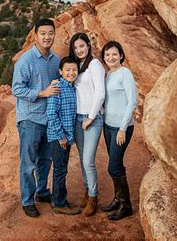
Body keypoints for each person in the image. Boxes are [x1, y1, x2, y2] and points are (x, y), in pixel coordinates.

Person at [12, 18, 61, 218]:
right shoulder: (26, 60)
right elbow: (17, 89)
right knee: (28, 162)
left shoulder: (56, 60)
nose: (47, 37)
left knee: (45, 160)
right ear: (35, 35)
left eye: (50, 33)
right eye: (43, 33)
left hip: (49, 119)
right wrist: (42, 93)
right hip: (30, 118)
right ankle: (27, 200)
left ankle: (42, 192)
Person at [100, 41, 137, 220]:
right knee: (117, 164)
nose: (111, 58)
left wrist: (123, 128)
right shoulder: (108, 75)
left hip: (121, 128)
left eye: (114, 54)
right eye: (107, 55)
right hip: (108, 126)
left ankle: (126, 205)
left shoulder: (125, 73)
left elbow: (132, 102)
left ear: (121, 55)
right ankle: (117, 199)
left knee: (113, 167)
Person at [69, 32, 105, 216]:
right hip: (77, 118)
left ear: (88, 46)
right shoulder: (78, 66)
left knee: (88, 160)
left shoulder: (94, 64)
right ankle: (86, 190)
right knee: (83, 157)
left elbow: (100, 93)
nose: (79, 50)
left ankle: (93, 196)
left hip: (92, 119)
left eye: (82, 46)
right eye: (75, 48)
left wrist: (91, 117)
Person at [46, 57, 81, 215]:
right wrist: (61, 137)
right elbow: (51, 114)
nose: (71, 73)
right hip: (58, 137)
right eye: (67, 70)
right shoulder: (58, 87)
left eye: (74, 70)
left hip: (66, 136)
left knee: (61, 169)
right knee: (60, 170)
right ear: (61, 71)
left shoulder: (72, 88)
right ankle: (59, 203)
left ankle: (58, 199)